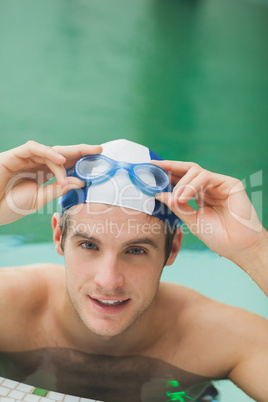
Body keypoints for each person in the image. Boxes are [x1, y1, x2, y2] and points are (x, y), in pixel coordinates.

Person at [0, 139, 267, 402]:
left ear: (172, 249)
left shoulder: (218, 338)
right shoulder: (8, 307)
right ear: (59, 236)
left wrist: (254, 250)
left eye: (136, 250)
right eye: (89, 245)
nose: (108, 281)